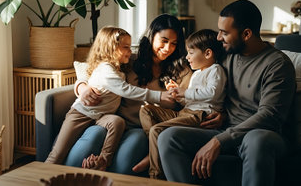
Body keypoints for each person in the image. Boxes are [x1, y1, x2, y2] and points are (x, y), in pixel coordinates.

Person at [158, 0, 296, 186]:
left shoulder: (277, 64)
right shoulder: (226, 57)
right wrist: (221, 114)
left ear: (246, 34)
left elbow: (270, 116)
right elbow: (215, 90)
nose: (218, 38)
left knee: (256, 139)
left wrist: (219, 141)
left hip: (262, 135)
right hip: (225, 129)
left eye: (224, 33)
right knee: (168, 137)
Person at [66, 14, 224, 175]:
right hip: (112, 121)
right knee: (86, 146)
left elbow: (198, 98)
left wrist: (220, 113)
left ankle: (149, 157)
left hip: (141, 129)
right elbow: (94, 68)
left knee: (122, 165)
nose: (168, 48)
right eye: (164, 40)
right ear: (151, 36)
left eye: (174, 44)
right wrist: (82, 87)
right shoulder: (131, 60)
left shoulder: (184, 70)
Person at [45, 26, 173, 170]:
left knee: (117, 121)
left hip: (102, 117)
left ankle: (104, 160)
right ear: (110, 48)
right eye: (126, 47)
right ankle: (40, 178)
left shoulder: (119, 69)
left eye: (130, 47)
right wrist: (159, 96)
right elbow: (126, 90)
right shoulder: (105, 69)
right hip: (81, 114)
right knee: (57, 154)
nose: (130, 52)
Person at [138, 29, 227, 179]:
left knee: (156, 130)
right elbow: (191, 100)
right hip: (186, 112)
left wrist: (184, 92)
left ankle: (155, 176)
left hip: (200, 115)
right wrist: (177, 95)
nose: (187, 57)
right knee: (146, 110)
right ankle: (155, 148)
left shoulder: (215, 70)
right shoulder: (197, 73)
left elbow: (212, 93)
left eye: (191, 53)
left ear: (208, 54)